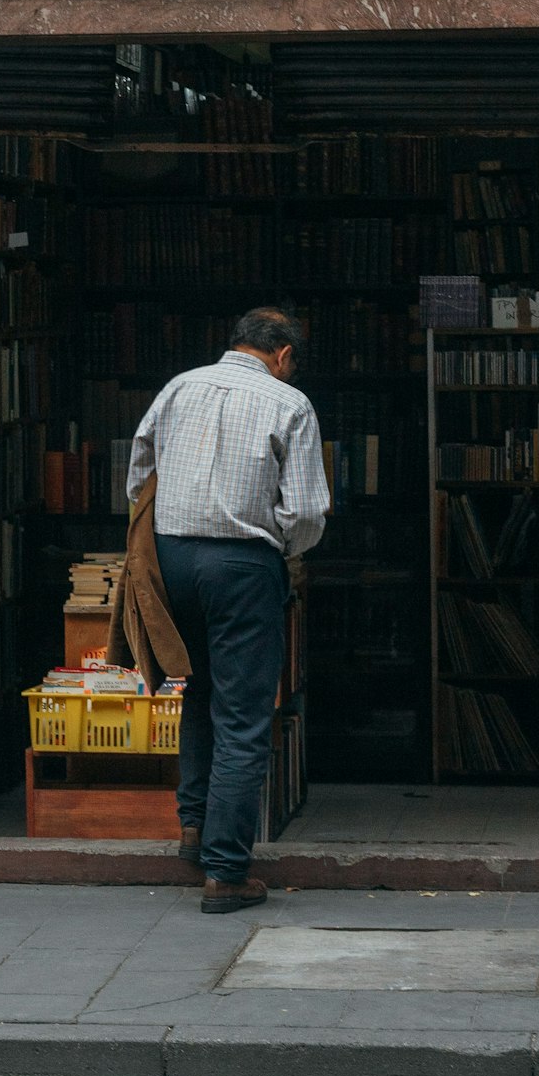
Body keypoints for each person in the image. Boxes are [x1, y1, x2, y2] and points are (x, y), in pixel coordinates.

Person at [126, 306, 329, 914]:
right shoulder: (289, 404)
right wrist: (285, 553)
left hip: (172, 559)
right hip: (241, 566)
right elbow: (307, 513)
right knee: (243, 718)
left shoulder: (178, 387)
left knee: (198, 691)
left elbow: (139, 476)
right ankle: (226, 870)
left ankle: (192, 832)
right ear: (284, 355)